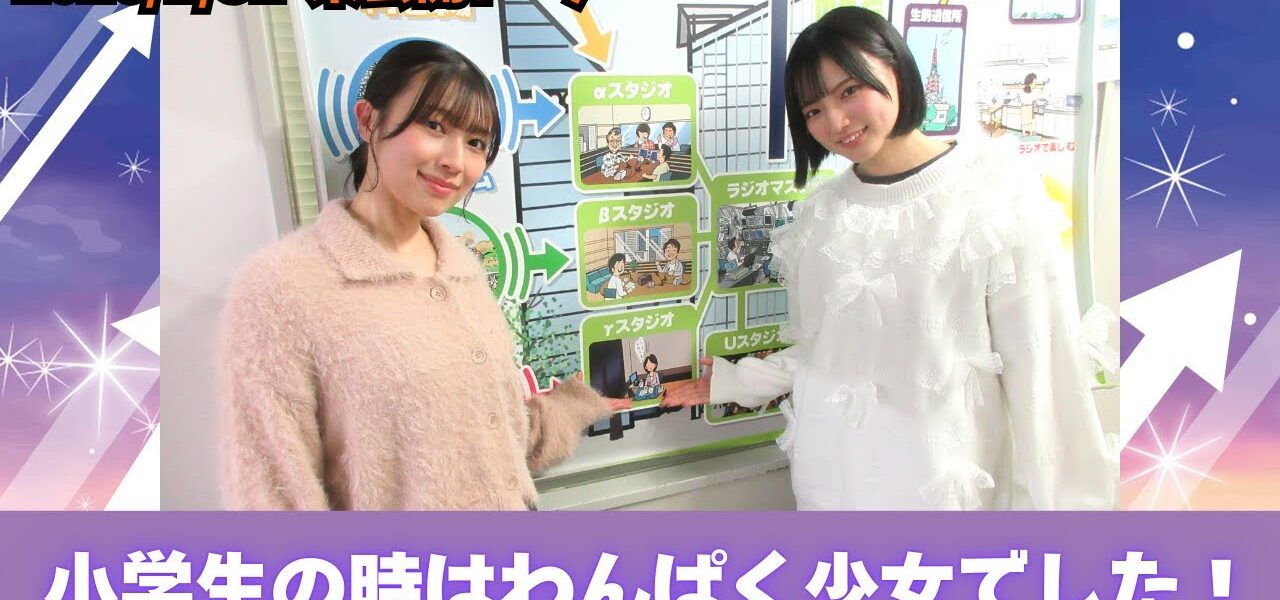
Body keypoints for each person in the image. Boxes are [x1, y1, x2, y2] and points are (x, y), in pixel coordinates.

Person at [664, 7, 1114, 510]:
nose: (836, 122)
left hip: (943, 501)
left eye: (849, 91)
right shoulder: (820, 216)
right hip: (830, 490)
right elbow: (824, 353)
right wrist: (737, 381)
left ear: (896, 68)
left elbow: (1046, 378)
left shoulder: (995, 197)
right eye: (813, 110)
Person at [218, 40, 629, 511]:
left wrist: (584, 400)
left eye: (476, 143)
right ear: (369, 120)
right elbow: (272, 497)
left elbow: (494, 435)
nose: (455, 160)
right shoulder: (280, 289)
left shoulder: (461, 269)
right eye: (434, 125)